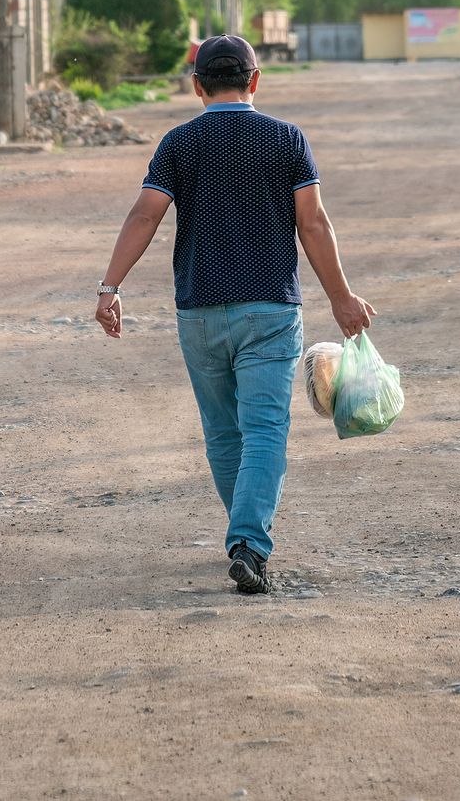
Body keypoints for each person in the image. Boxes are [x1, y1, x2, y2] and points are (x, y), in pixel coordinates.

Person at [95, 33, 374, 594]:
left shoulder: (178, 143)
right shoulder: (286, 139)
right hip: (269, 308)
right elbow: (313, 225)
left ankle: (243, 535)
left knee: (224, 434)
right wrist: (341, 298)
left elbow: (145, 215)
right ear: (255, 80)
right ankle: (248, 541)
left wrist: (110, 287)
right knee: (265, 429)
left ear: (197, 86)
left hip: (199, 311)